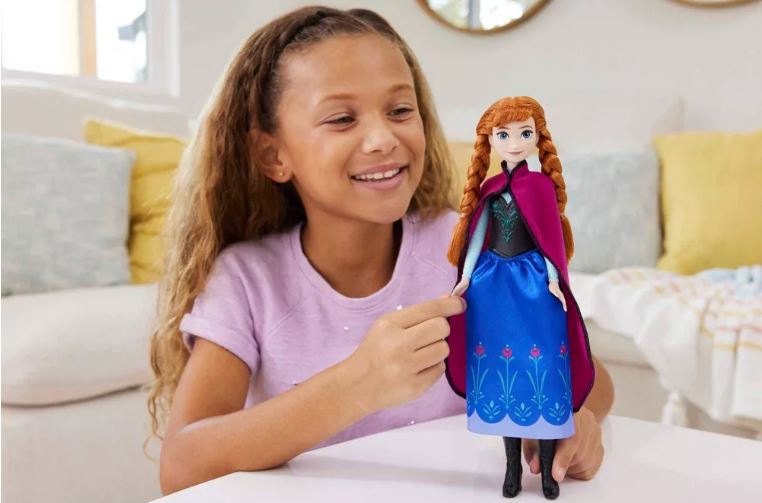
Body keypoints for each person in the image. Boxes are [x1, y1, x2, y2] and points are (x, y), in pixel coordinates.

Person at [147, 6, 614, 496]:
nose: (383, 138)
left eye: (399, 111)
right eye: (342, 118)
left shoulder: (462, 249)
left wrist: (573, 419)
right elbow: (182, 467)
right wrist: (357, 385)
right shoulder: (247, 280)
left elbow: (594, 379)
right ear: (273, 154)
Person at [447, 96, 596, 499]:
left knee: (542, 369)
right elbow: (477, 235)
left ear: (537, 137)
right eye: (504, 135)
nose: (514, 143)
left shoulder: (541, 187)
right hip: (493, 286)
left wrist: (554, 280)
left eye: (524, 133)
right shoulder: (490, 189)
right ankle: (511, 469)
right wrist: (466, 276)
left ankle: (547, 474)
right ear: (490, 140)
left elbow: (549, 241)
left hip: (533, 285)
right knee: (502, 373)